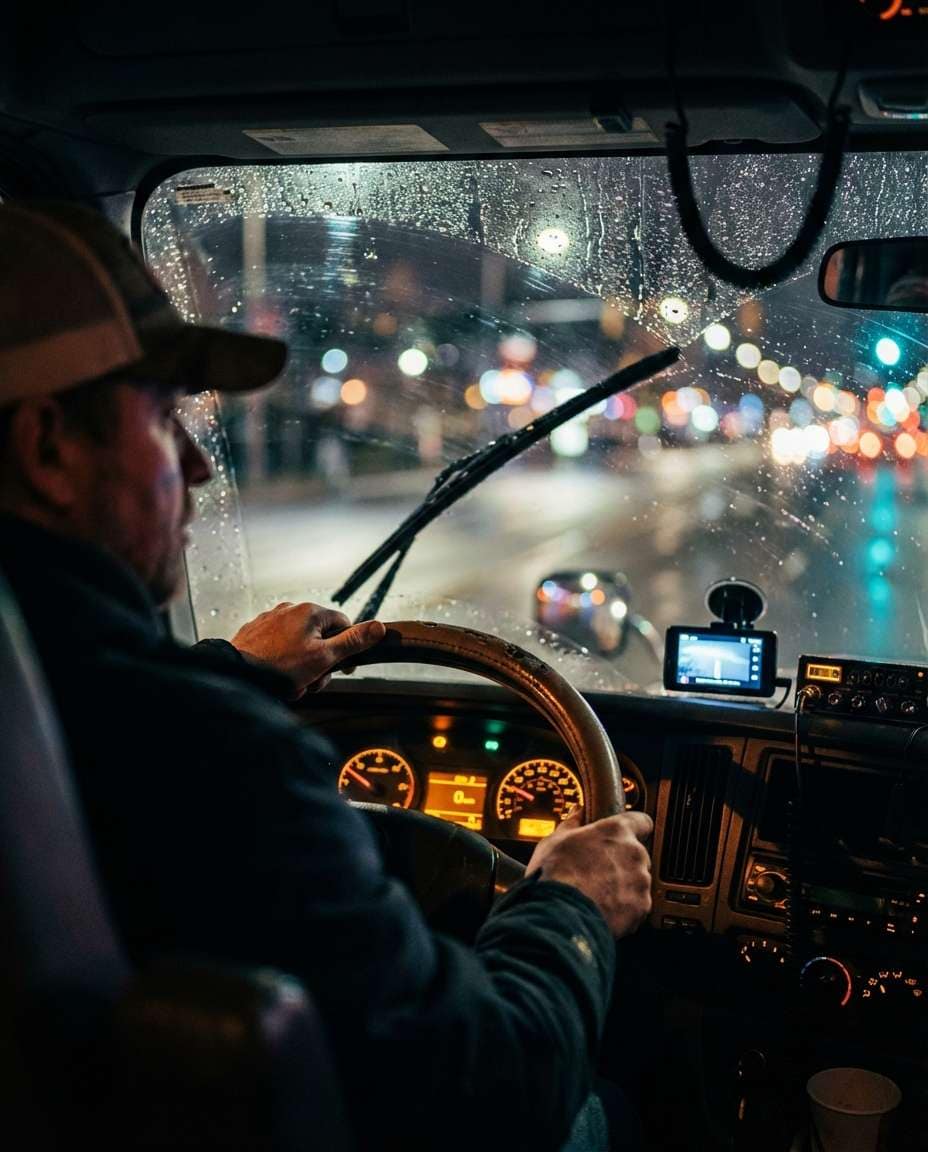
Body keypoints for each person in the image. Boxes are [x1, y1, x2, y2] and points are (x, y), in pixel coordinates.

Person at [0, 201, 653, 1152]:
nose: (198, 468)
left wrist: (230, 670)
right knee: (607, 1110)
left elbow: (81, 700)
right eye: (162, 417)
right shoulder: (221, 760)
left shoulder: (67, 703)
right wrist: (571, 909)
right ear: (49, 447)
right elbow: (497, 1090)